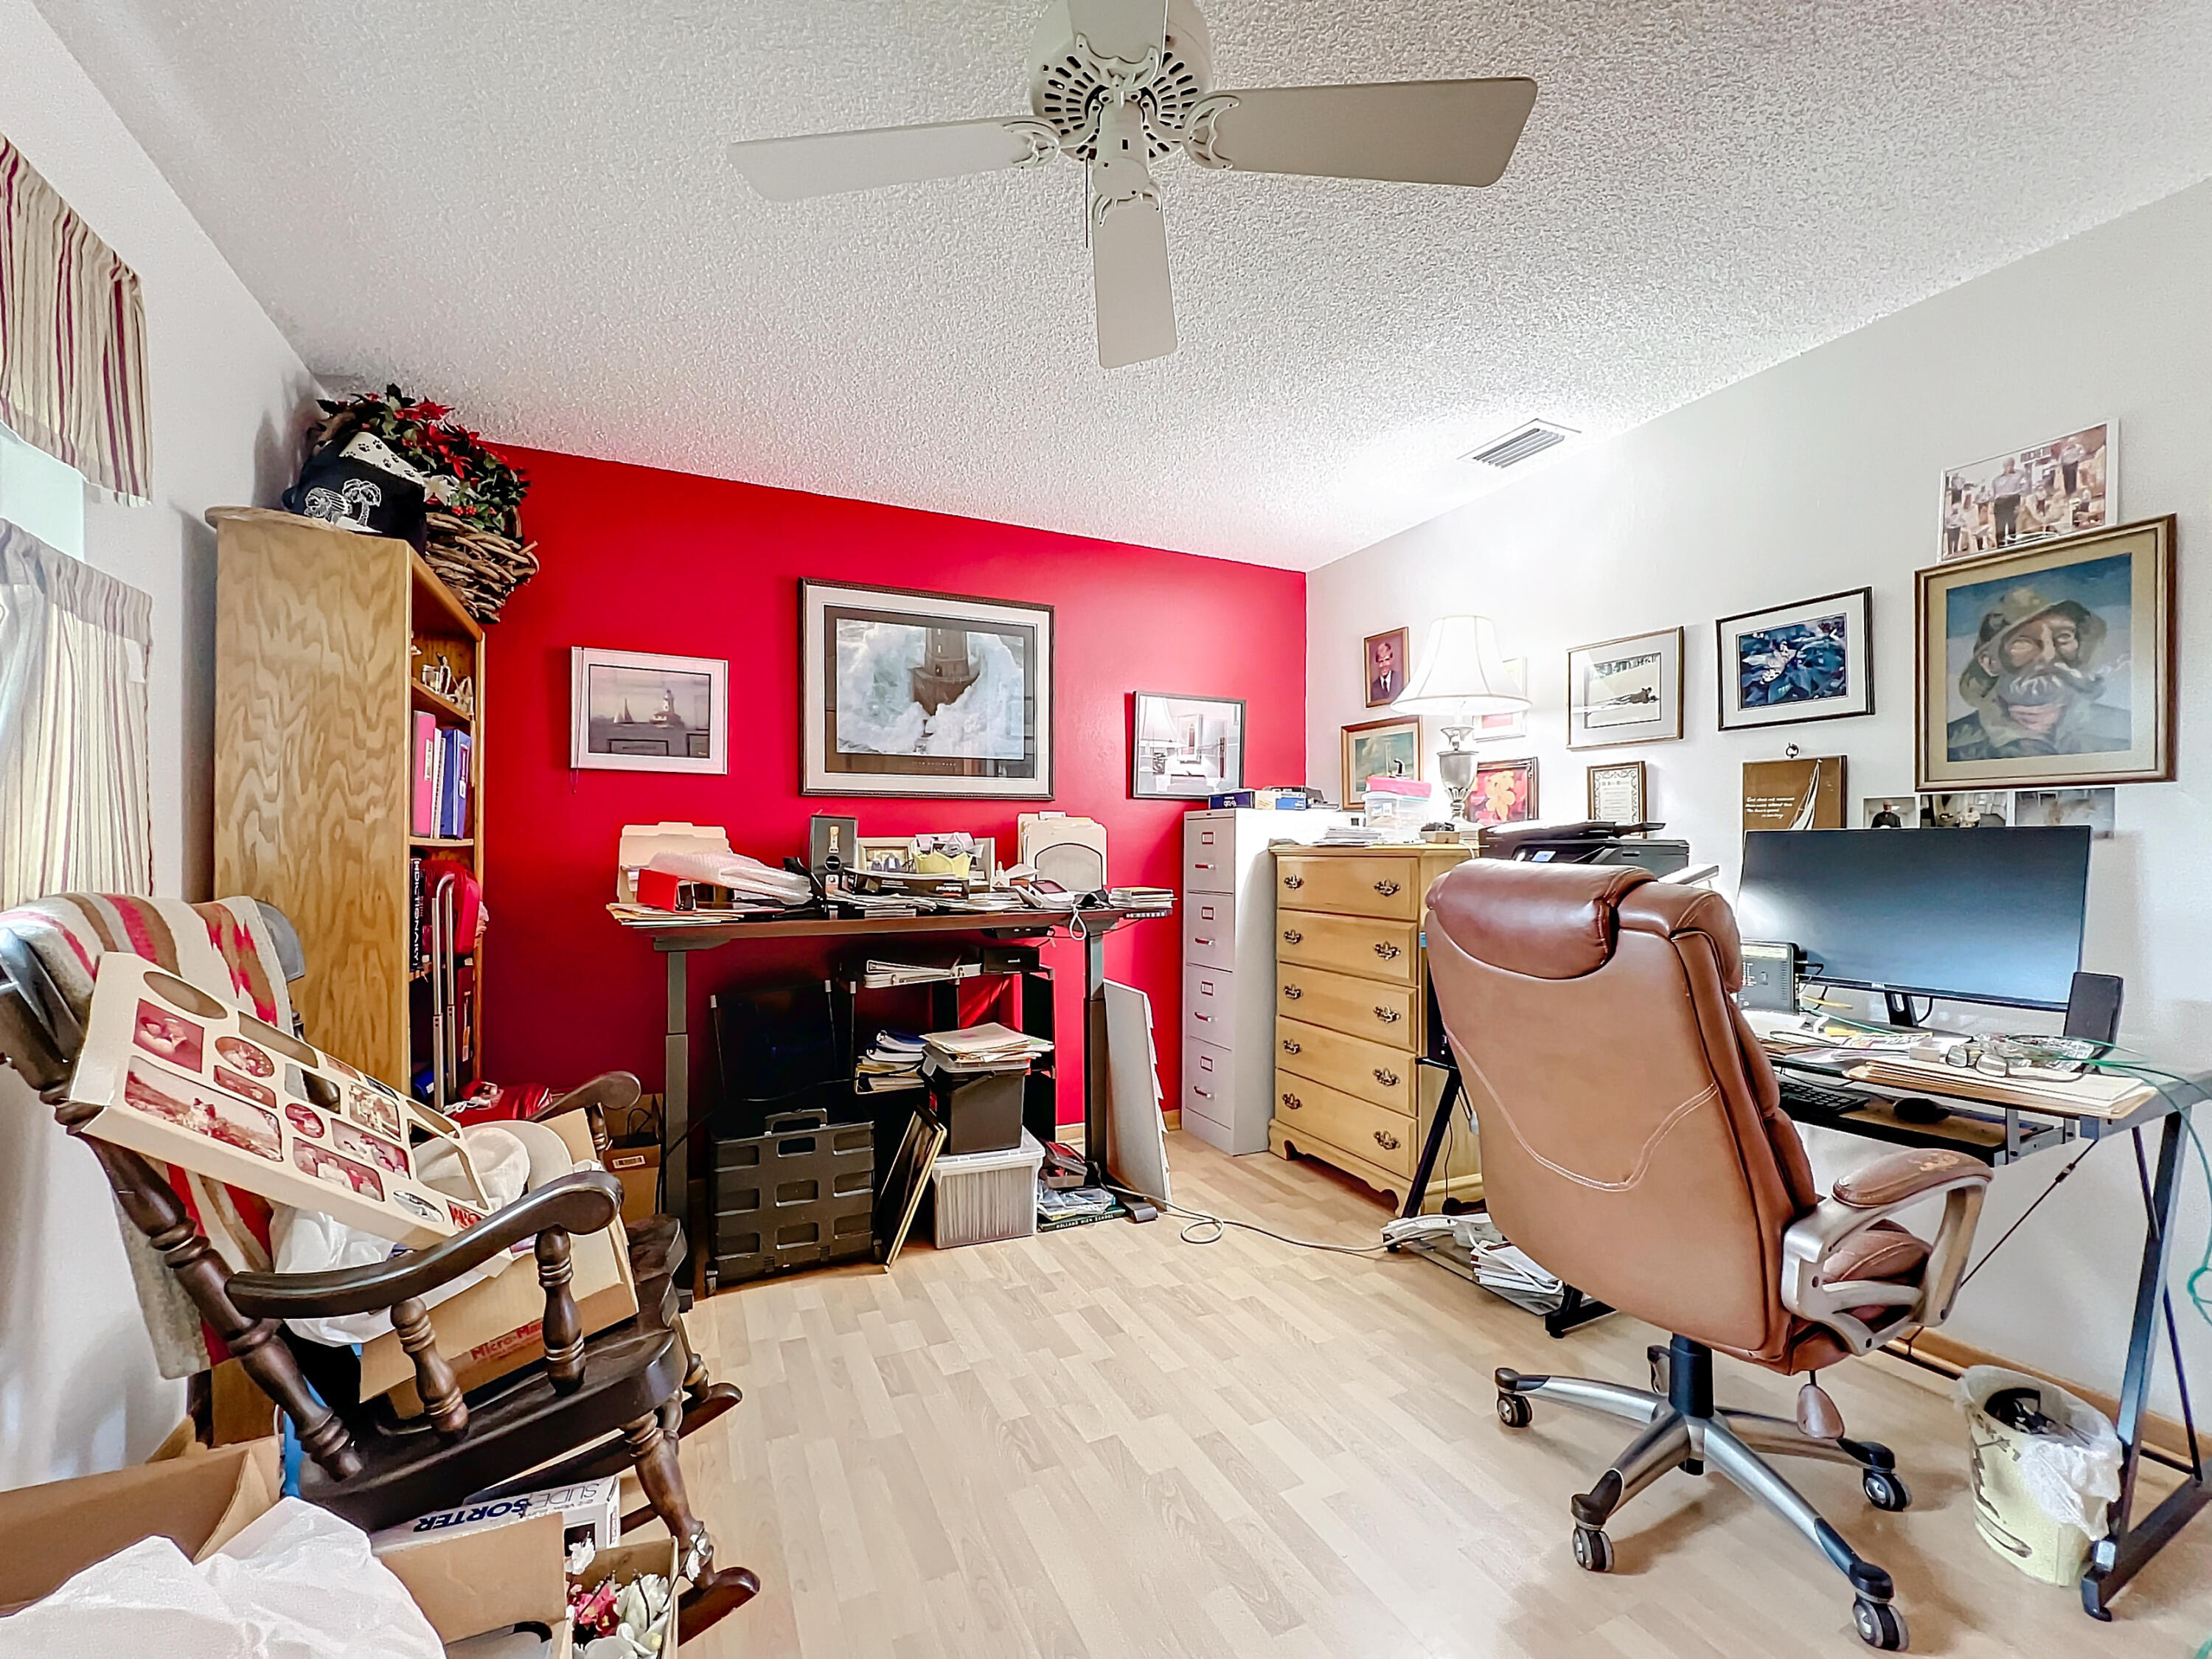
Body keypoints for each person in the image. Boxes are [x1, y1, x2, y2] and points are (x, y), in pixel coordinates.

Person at [1946, 585, 2132, 761]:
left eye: (2064, 637)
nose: (2048, 656)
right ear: (1990, 662)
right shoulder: (1954, 744)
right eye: (2024, 642)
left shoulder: (2126, 731)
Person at [1989, 459, 2028, 546]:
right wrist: (1992, 505)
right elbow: (1993, 495)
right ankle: (2000, 545)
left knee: (2012, 523)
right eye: (2007, 465)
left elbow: (2024, 487)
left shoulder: (2020, 474)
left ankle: (2012, 544)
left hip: (2012, 499)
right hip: (2000, 503)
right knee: (2000, 525)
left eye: (2011, 465)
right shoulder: (1997, 480)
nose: (2009, 467)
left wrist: (2021, 502)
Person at [1368, 636, 1399, 705]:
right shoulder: (1372, 687)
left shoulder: (1400, 679)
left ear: (1391, 660)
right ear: (1377, 663)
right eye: (1381, 661)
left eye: (1387, 660)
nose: (1384, 665)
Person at [2059, 434, 2087, 498]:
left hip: (2072, 464)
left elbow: (2083, 453)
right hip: (2065, 465)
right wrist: (2061, 464)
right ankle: (2067, 493)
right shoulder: (2065, 450)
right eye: (2069, 443)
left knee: (2072, 478)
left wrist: (2077, 459)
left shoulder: (2078, 447)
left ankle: (2072, 493)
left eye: (2071, 443)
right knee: (2066, 479)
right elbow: (2061, 457)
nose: (2069, 444)